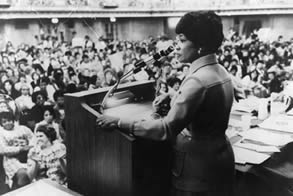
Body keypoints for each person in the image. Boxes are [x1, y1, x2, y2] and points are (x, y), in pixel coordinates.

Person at [96, 11, 235, 196]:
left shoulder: (198, 80)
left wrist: (119, 122)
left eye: (182, 41)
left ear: (200, 45)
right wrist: (173, 96)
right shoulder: (220, 71)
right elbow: (205, 105)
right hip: (219, 160)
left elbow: (166, 129)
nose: (177, 47)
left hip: (197, 171)